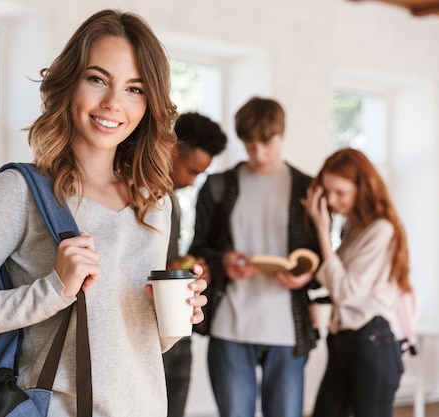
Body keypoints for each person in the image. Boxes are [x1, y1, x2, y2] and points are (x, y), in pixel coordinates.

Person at [0, 9, 208, 417]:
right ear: (70, 81)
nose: (113, 103)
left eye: (134, 89)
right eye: (98, 79)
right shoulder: (19, 191)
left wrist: (175, 319)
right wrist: (52, 291)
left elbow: (135, 346)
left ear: (149, 103)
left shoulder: (155, 203)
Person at [188, 96, 321, 417]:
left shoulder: (309, 189)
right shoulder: (218, 186)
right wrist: (223, 263)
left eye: (266, 142)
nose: (258, 153)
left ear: (282, 134)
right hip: (230, 326)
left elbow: (321, 256)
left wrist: (307, 275)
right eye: (250, 145)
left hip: (288, 330)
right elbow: (198, 250)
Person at [303, 148, 409, 417]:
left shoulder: (381, 230)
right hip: (345, 342)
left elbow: (347, 291)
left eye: (341, 193)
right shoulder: (353, 226)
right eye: (327, 192)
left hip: (371, 343)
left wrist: (321, 229)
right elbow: (337, 276)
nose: (332, 200)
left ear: (362, 188)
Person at [163, 112, 227, 417]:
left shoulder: (171, 201)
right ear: (173, 150)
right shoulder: (140, 196)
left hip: (174, 328)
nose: (192, 182)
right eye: (191, 170)